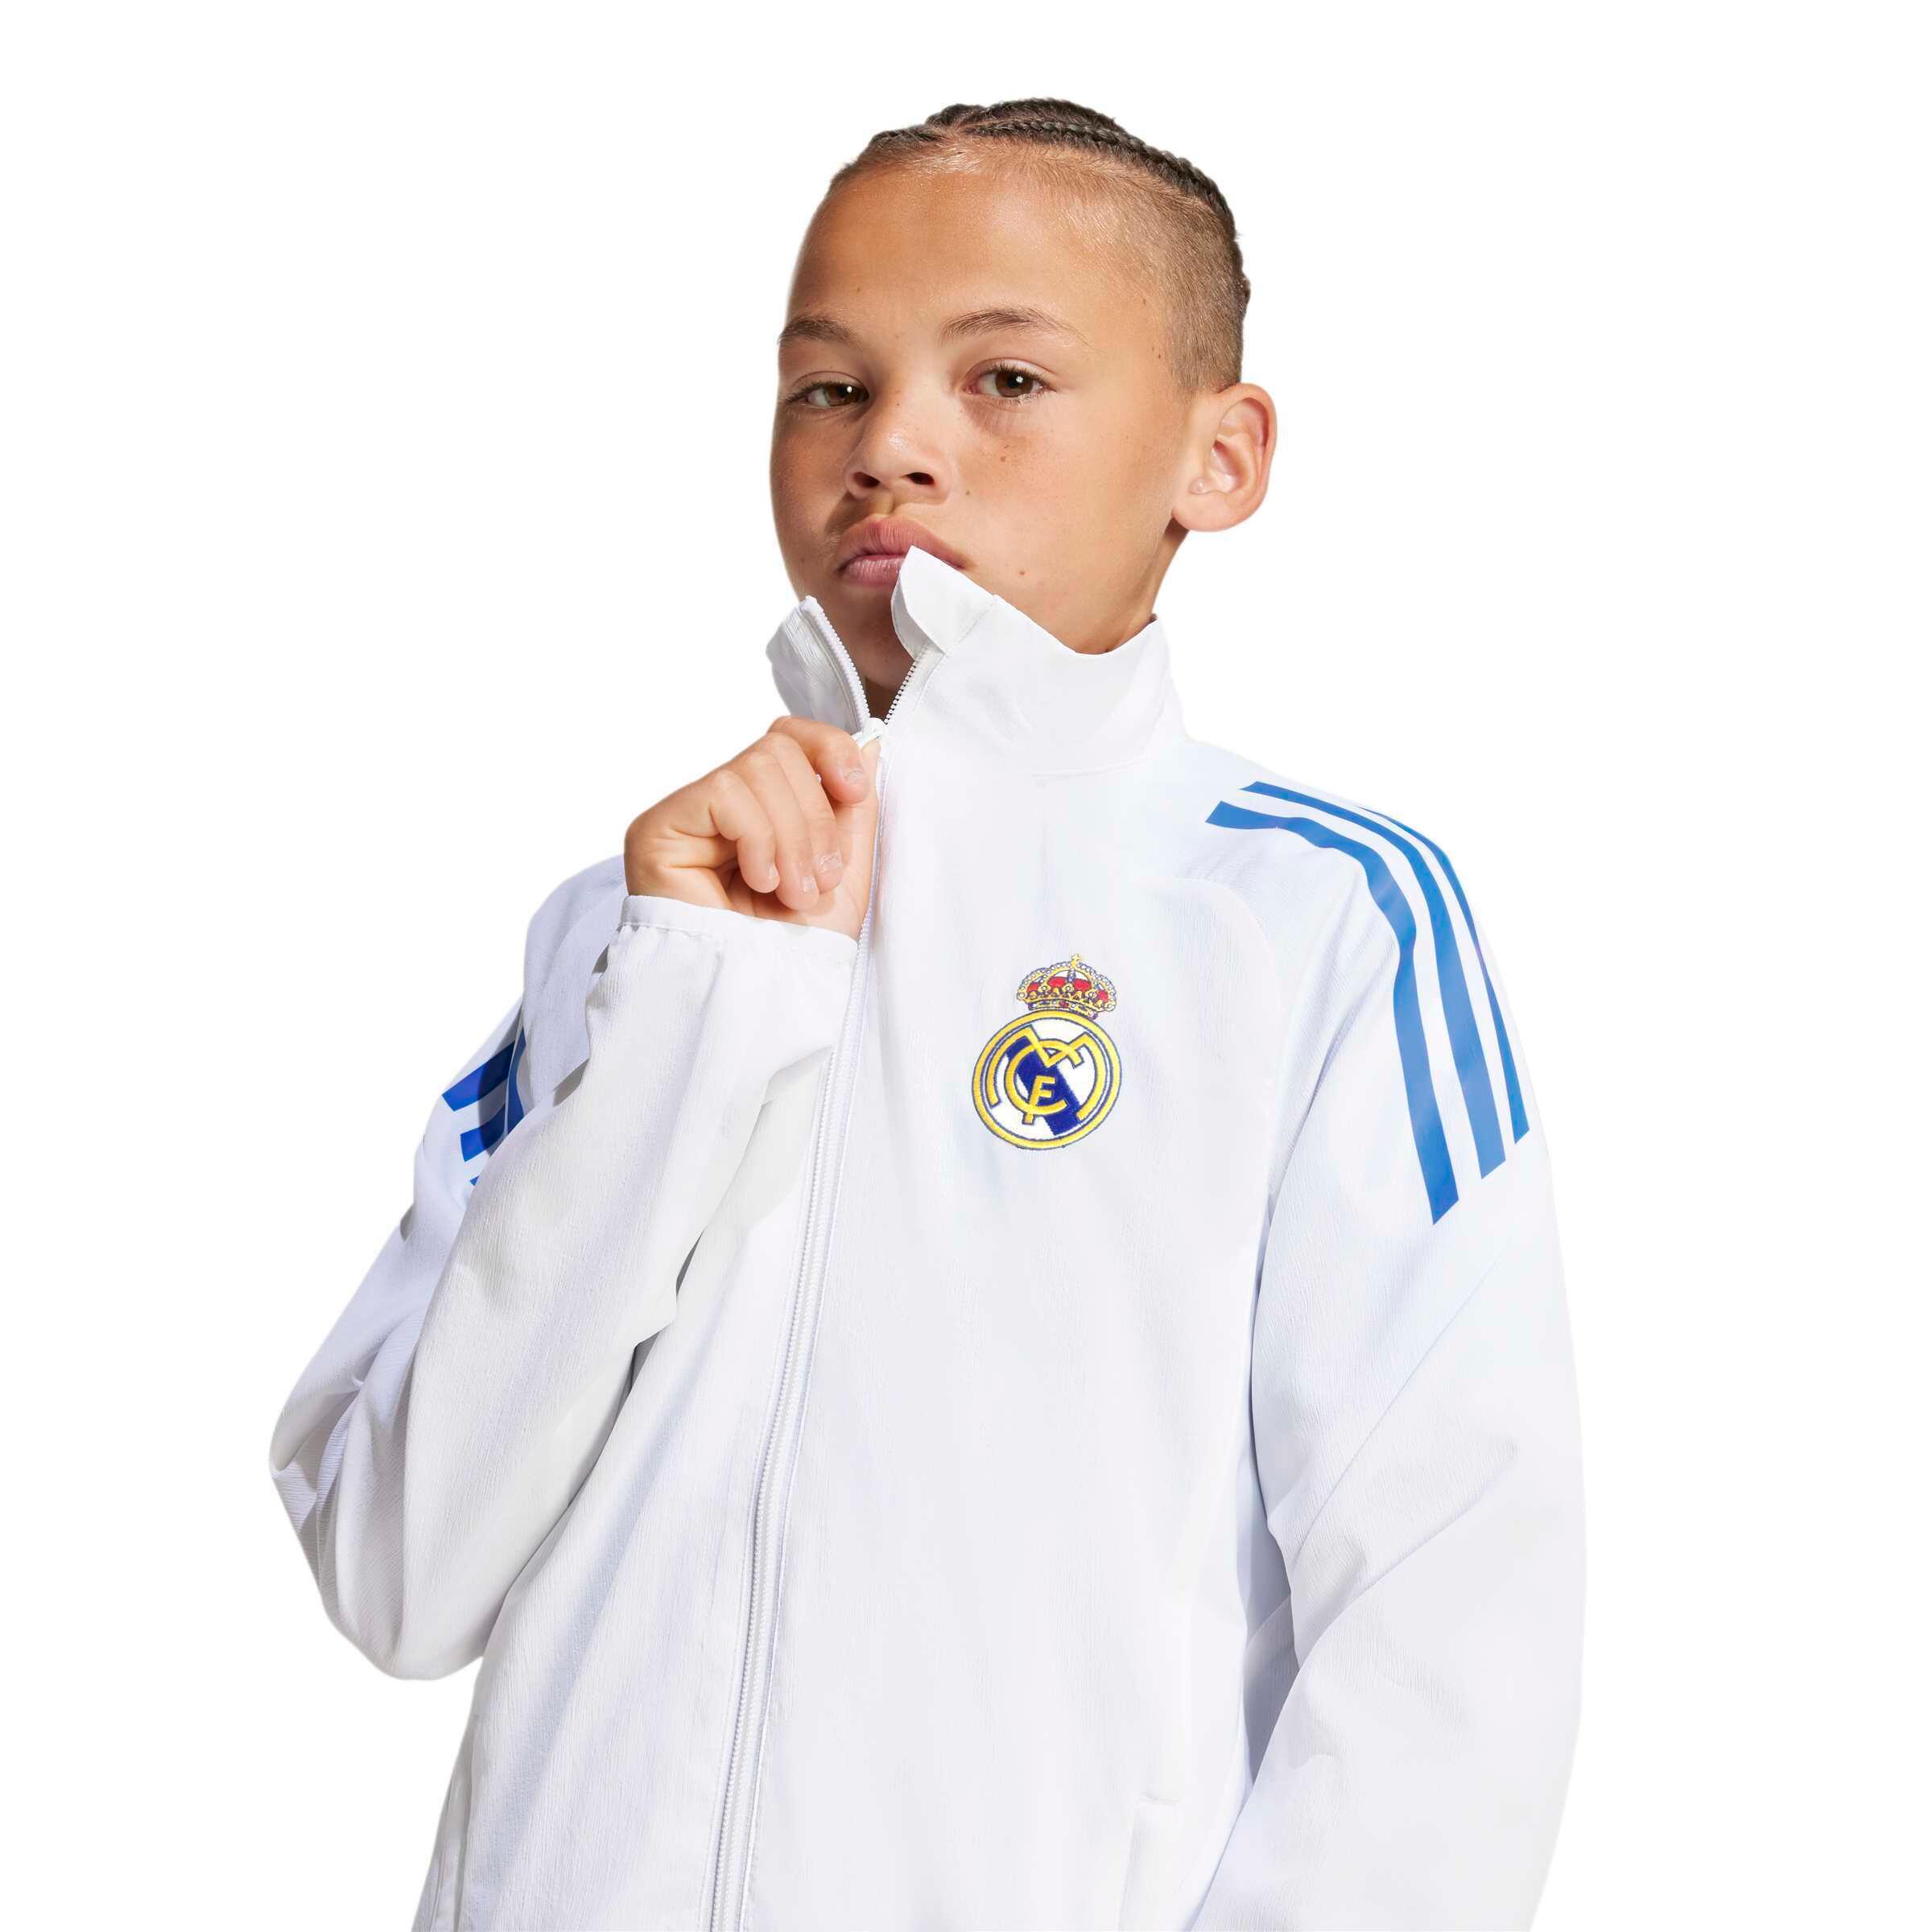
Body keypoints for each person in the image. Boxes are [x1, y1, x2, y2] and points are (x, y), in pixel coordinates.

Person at [268, 97, 1585, 1931]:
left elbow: (1454, 1612)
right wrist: (699, 1000)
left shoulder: (1308, 918)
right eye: (829, 387)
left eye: (1005, 381)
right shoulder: (629, 931)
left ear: (1218, 456)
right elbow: (397, 1573)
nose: (888, 444)